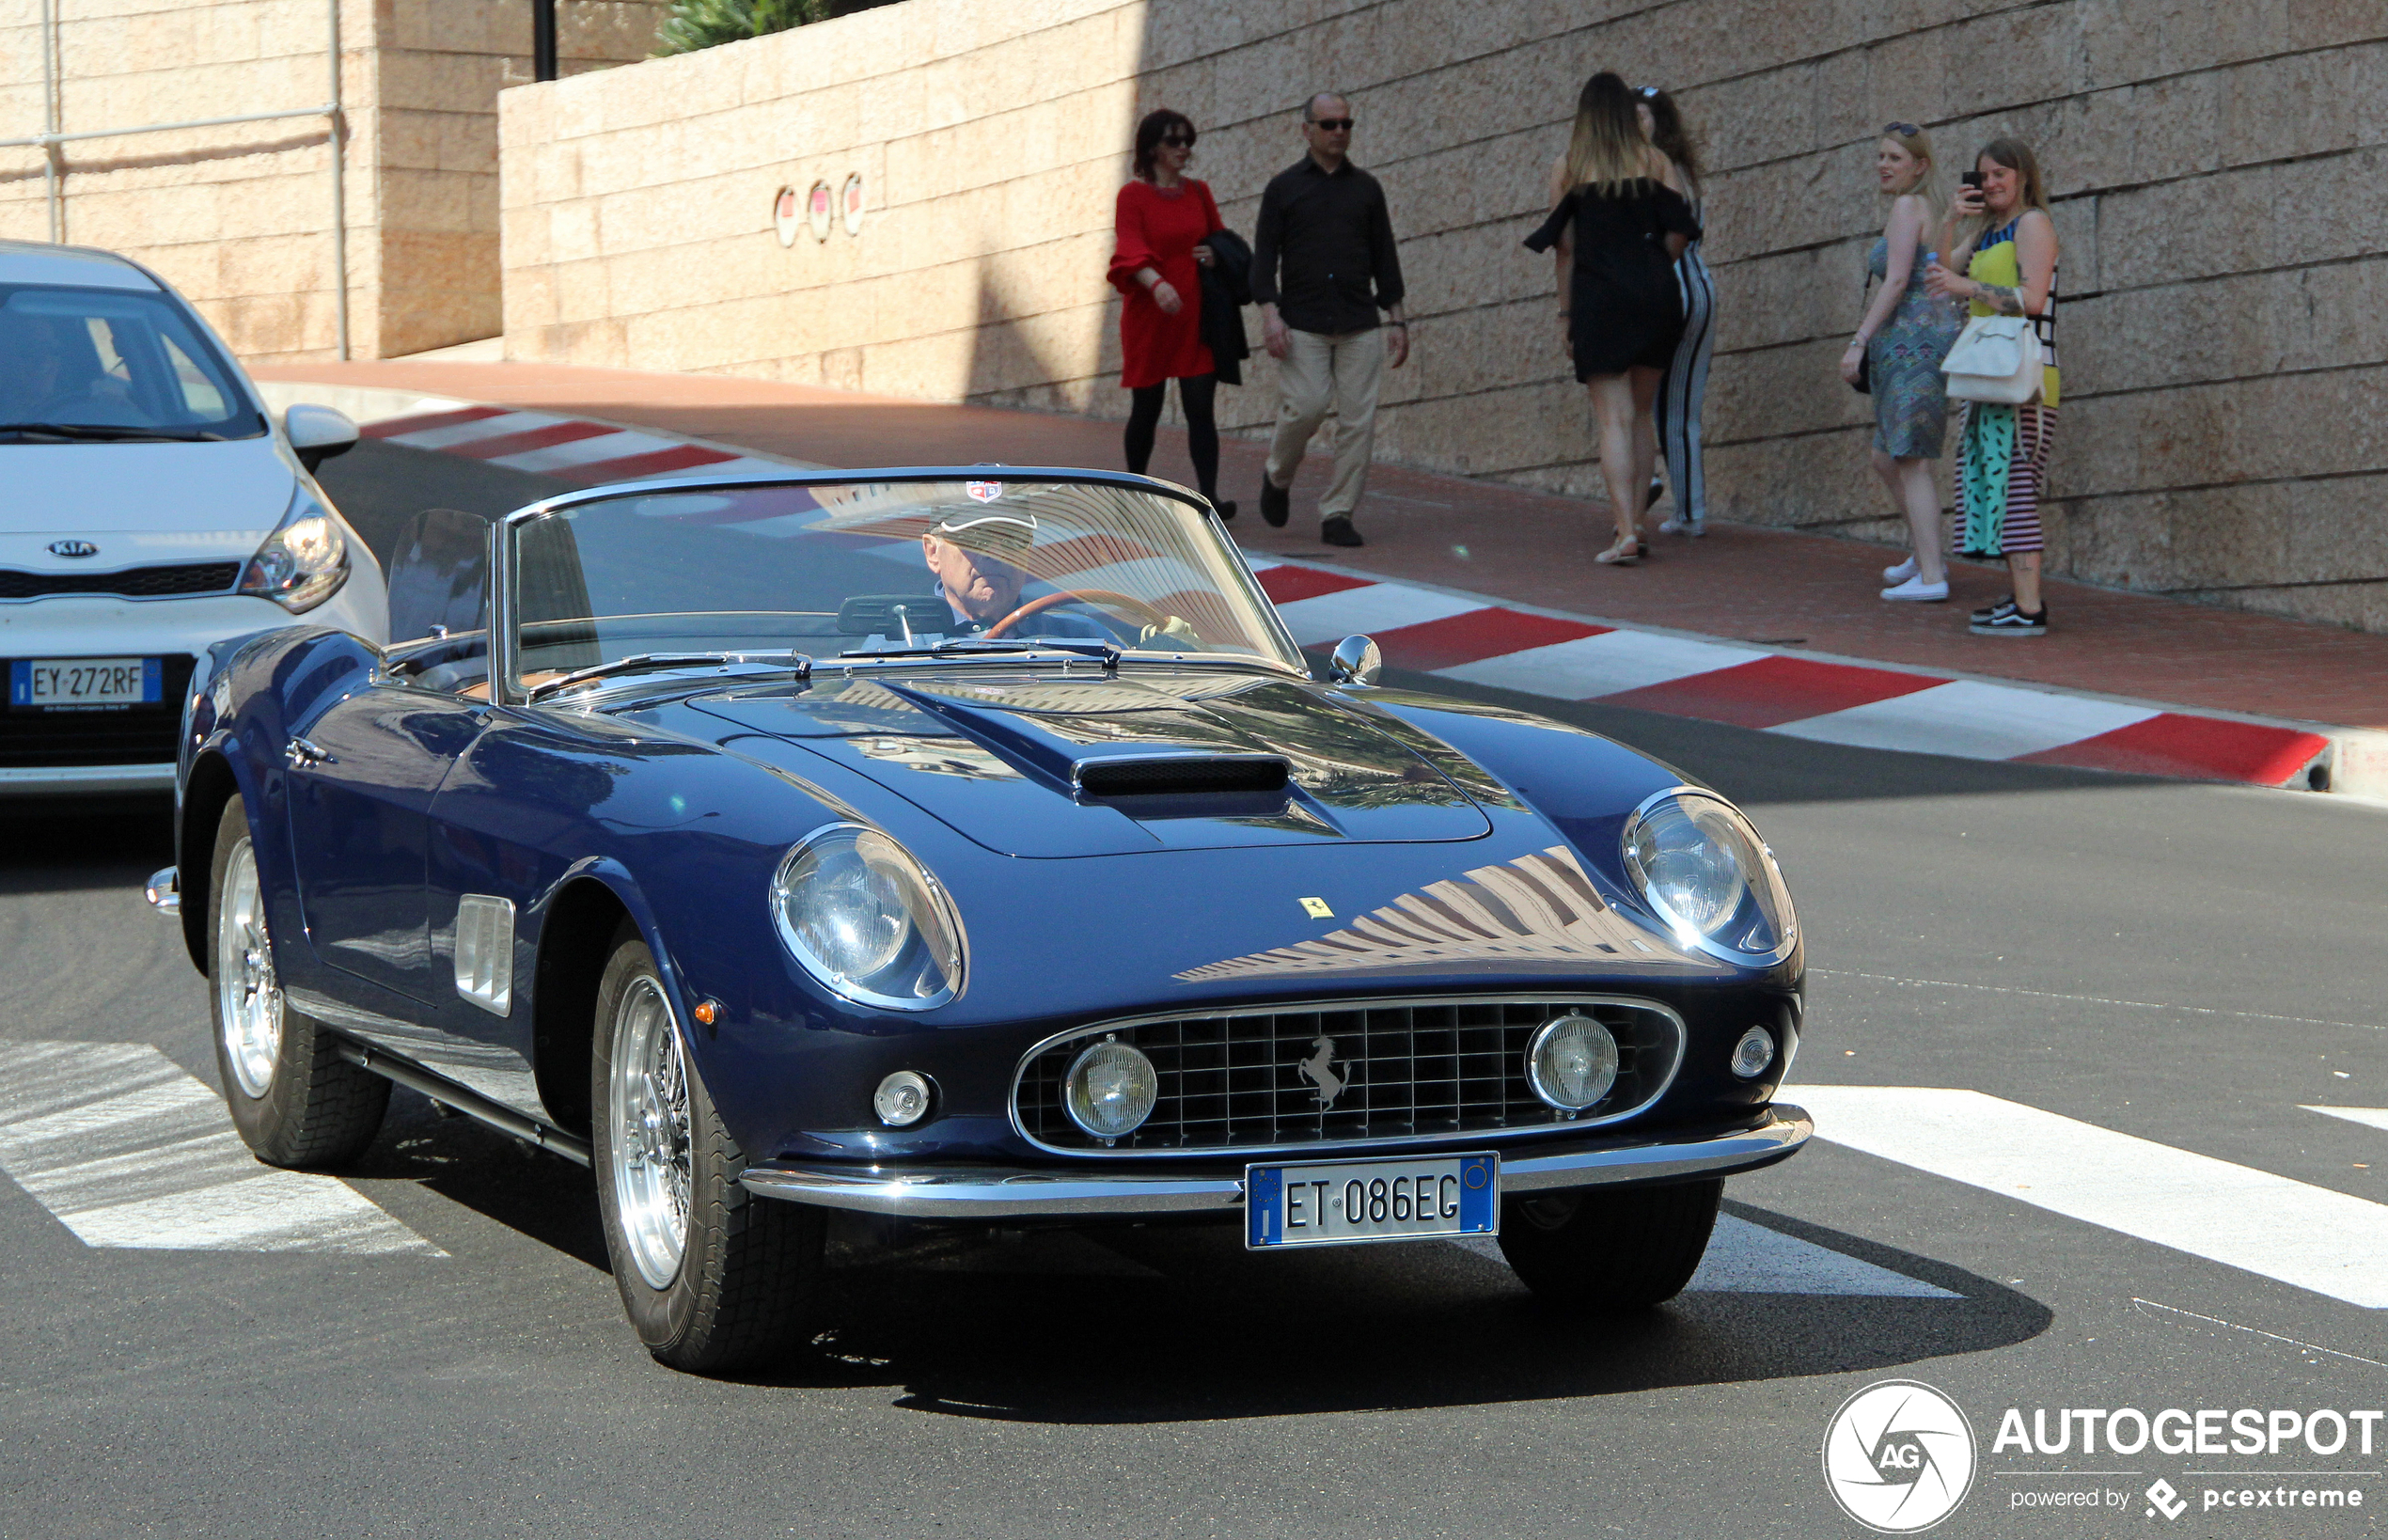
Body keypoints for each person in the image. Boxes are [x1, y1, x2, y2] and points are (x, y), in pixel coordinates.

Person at [1523, 71, 1699, 566]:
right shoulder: (1655, 160)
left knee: (1612, 419)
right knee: (1642, 415)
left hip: (1599, 300)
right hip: (1657, 296)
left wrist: (1565, 315)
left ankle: (1623, 529)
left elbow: (1564, 249)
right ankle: (1638, 527)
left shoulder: (1570, 166)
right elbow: (1682, 231)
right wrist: (1650, 269)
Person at [1249, 91, 1410, 548]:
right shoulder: (1283, 188)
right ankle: (1277, 476)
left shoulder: (1367, 189)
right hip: (1302, 323)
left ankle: (1338, 513)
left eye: (1346, 124)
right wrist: (1270, 316)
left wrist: (1397, 320)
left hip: (1360, 321)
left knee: (1359, 422)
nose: (1339, 132)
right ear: (1307, 130)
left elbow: (1386, 257)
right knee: (1307, 406)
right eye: (1329, 125)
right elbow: (1264, 262)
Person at [1925, 137, 2061, 636]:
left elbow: (2032, 298)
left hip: (2025, 377)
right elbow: (1940, 274)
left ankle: (2029, 608)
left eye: (2000, 174)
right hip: (1988, 377)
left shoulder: (2033, 224)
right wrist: (1949, 221)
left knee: (2018, 485)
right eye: (1983, 176)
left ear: (2023, 176)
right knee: (1993, 487)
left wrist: (1968, 289)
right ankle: (2020, 599)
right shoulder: (1989, 231)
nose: (1991, 183)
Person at [1843, 122, 1963, 602]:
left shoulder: (1907, 206)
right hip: (1925, 343)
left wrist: (1858, 341)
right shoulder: (1933, 210)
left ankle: (1932, 575)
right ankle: (1924, 550)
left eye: (1895, 158)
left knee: (1909, 459)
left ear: (1920, 166)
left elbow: (1894, 283)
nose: (1884, 166)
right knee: (1885, 455)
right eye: (1881, 156)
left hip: (1909, 344)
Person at [1108, 109, 1233, 517]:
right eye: (1174, 141)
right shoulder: (1132, 196)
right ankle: (1133, 492)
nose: (1184, 149)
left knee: (1201, 408)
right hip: (1151, 316)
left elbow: (1220, 239)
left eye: (1187, 141)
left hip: (1195, 315)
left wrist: (1215, 254)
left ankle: (1209, 497)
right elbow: (1128, 246)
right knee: (1147, 408)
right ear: (1152, 148)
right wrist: (1156, 283)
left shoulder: (1199, 191)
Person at [1640, 86, 1713, 539]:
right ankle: (1679, 500)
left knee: (1675, 407)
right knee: (1660, 402)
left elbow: (1676, 235)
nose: (1635, 127)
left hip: (1679, 289)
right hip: (1688, 287)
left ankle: (1689, 510)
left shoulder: (1662, 169)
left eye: (1643, 118)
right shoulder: (1677, 168)